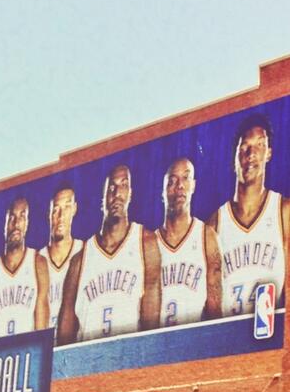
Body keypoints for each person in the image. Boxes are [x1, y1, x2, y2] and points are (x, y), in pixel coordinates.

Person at [58, 165, 161, 344]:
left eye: (123, 185)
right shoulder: (79, 260)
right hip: (88, 361)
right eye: (111, 188)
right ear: (103, 198)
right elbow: (65, 329)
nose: (117, 193)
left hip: (127, 359)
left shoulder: (146, 243)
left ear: (130, 193)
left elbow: (151, 323)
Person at [207, 113, 290, 316]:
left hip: (271, 336)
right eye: (244, 146)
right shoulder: (215, 223)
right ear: (235, 155)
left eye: (260, 145)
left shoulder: (283, 210)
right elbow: (212, 300)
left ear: (269, 153)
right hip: (230, 339)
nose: (251, 154)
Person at [157, 158, 222, 326]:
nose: (179, 186)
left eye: (185, 178)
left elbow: (215, 311)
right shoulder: (149, 243)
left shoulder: (206, 237)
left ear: (193, 185)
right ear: (162, 191)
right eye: (172, 181)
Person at [0, 197, 49, 339]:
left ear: (27, 223)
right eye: (12, 218)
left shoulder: (38, 263)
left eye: (22, 216)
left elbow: (41, 325)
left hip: (25, 356)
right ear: (4, 225)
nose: (16, 223)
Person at [39, 186, 83, 329]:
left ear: (75, 209)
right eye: (56, 209)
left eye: (67, 207)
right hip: (42, 347)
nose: (61, 215)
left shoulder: (85, 251)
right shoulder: (36, 261)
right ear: (49, 213)